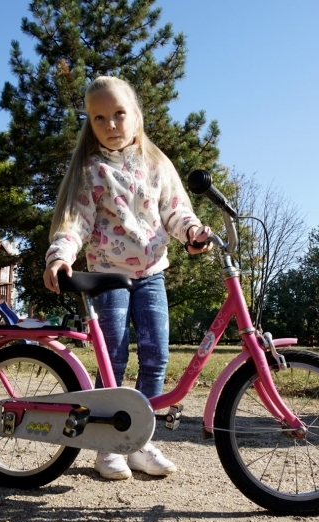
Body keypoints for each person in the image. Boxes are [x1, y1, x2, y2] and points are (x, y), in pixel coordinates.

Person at [42, 75, 213, 480]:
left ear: (136, 115)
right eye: (99, 118)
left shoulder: (156, 163)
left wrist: (193, 232)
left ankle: (139, 439)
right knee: (113, 358)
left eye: (119, 113)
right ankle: (106, 445)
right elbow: (76, 222)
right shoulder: (91, 170)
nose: (111, 124)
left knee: (156, 356)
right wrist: (60, 254)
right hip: (108, 275)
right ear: (90, 123)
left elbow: (175, 210)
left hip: (152, 273)